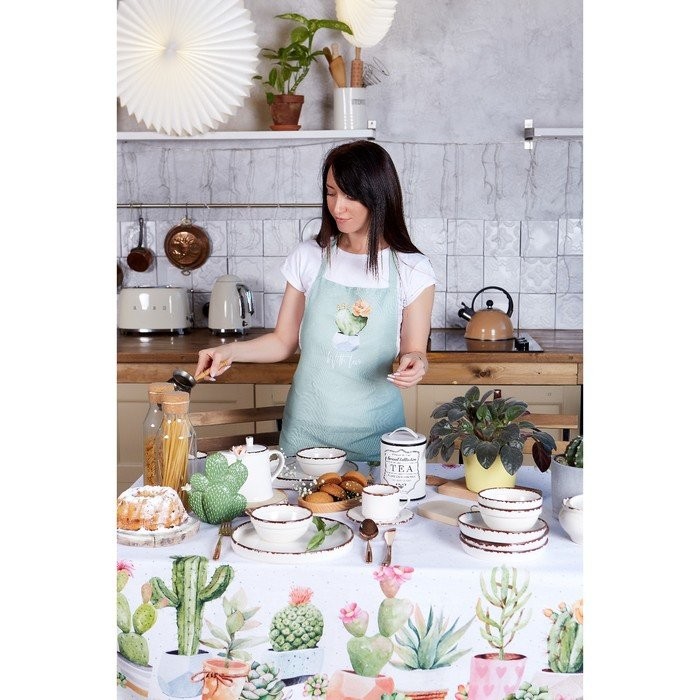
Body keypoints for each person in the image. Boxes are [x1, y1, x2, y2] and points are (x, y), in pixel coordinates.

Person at [195, 140, 436, 462]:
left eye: (350, 196)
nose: (337, 207)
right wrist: (228, 351)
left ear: (379, 196)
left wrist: (416, 365)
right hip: (305, 433)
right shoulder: (309, 256)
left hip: (377, 436)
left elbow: (414, 351)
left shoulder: (412, 268)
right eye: (331, 193)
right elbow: (283, 342)